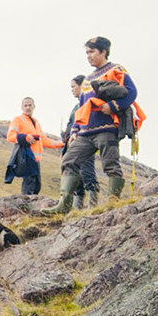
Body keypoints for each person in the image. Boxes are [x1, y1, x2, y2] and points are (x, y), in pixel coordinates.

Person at [58, 37, 135, 211]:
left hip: (107, 129)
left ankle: (112, 203)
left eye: (92, 52)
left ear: (103, 51)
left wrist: (113, 106)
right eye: (87, 52)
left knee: (110, 165)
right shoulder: (87, 80)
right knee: (69, 160)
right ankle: (63, 205)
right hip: (85, 133)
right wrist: (76, 129)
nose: (88, 56)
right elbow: (82, 106)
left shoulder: (117, 69)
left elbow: (131, 92)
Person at [58, 78, 101, 208]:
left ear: (82, 86)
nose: (72, 90)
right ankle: (77, 209)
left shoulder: (89, 104)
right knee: (77, 179)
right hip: (73, 147)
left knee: (88, 175)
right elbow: (70, 129)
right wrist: (65, 150)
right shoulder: (76, 107)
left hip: (85, 144)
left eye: (73, 87)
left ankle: (92, 207)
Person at [4, 96, 59, 196]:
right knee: (29, 183)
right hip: (26, 156)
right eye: (25, 105)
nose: (28, 107)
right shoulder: (18, 119)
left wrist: (60, 144)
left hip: (36, 160)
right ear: (22, 107)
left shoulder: (36, 122)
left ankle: (31, 206)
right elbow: (10, 136)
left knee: (37, 185)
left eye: (30, 105)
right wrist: (26, 138)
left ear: (34, 106)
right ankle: (26, 207)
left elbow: (44, 140)